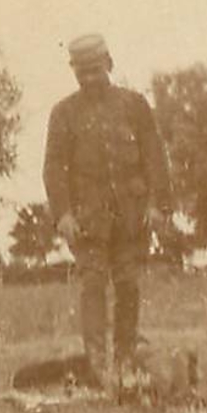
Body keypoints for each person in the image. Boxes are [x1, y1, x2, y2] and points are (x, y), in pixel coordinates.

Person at [43, 33, 173, 386]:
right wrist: (63, 214)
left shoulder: (134, 105)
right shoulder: (64, 113)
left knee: (129, 286)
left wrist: (157, 206)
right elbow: (54, 167)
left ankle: (126, 358)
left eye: (95, 71)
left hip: (131, 218)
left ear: (109, 64)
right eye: (82, 73)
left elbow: (154, 157)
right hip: (88, 223)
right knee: (93, 286)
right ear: (73, 72)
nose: (89, 79)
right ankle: (99, 366)